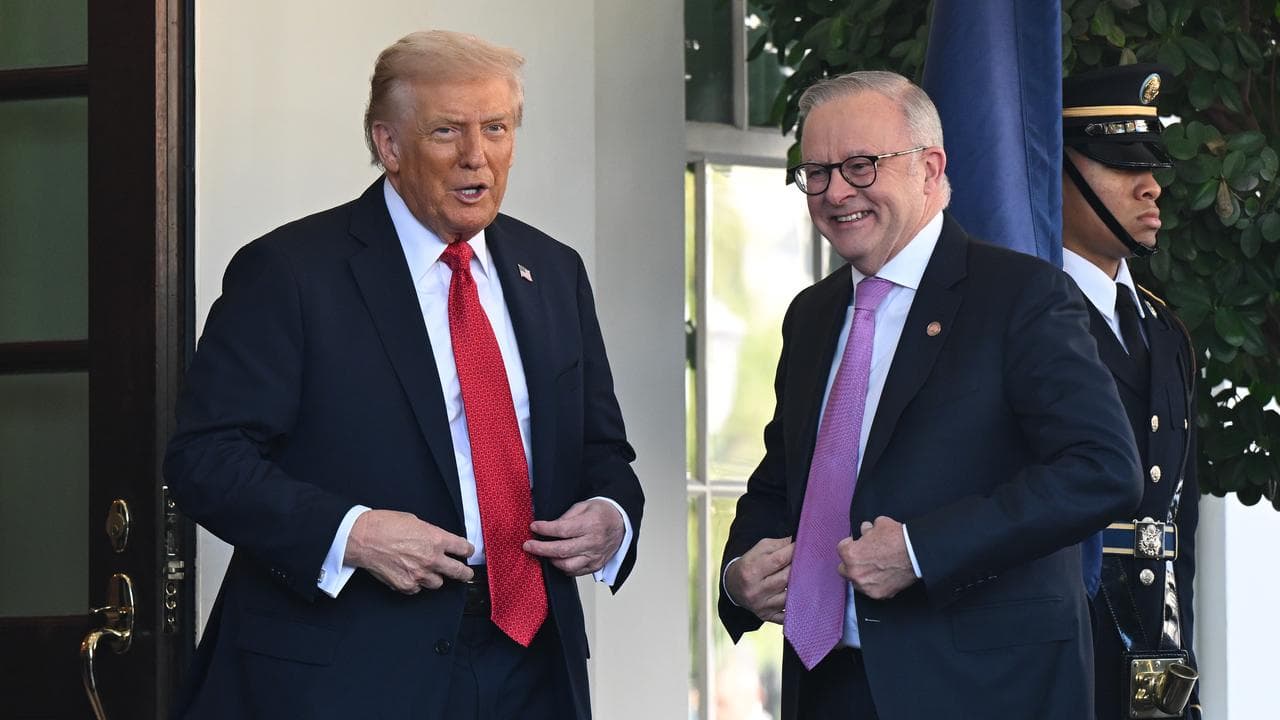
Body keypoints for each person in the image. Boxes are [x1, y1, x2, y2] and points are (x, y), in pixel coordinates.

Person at [164, 30, 644, 720]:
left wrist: (612, 517)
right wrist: (352, 535)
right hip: (347, 671)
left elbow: (603, 453)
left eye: (497, 128)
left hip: (532, 664)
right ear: (389, 145)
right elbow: (203, 460)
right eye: (447, 131)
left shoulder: (554, 271)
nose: (477, 156)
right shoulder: (291, 272)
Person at [718, 70, 1143, 719]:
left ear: (929, 167)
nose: (835, 192)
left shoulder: (1021, 295)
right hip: (828, 684)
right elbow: (781, 485)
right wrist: (739, 572)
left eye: (860, 166)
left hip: (984, 689)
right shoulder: (812, 314)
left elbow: (1103, 470)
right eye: (816, 172)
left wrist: (922, 550)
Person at [1061, 64, 1201, 720]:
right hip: (1060, 653)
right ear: (1058, 173)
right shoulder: (1022, 322)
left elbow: (1178, 531)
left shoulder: (1164, 330)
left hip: (1155, 657)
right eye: (1122, 166)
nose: (1151, 188)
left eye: (1152, 167)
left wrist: (1177, 697)